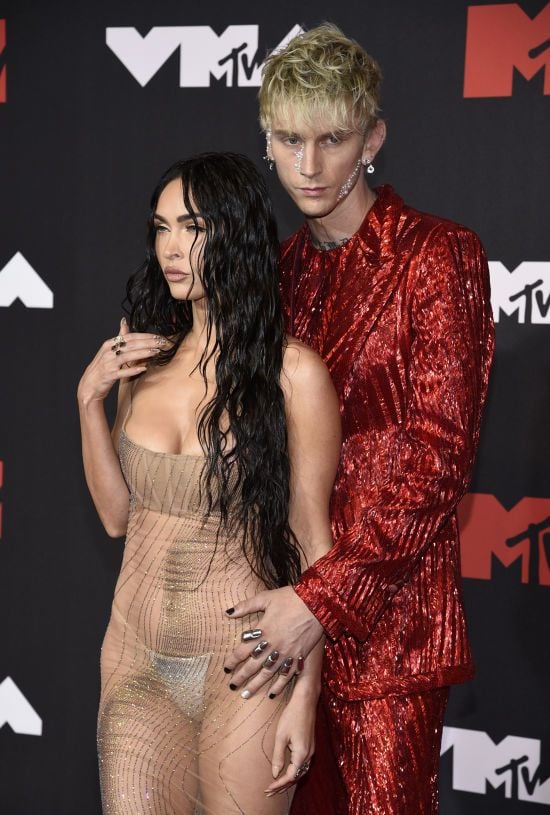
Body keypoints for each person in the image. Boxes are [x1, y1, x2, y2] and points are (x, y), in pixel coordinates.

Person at [223, 25, 495, 814]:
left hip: (391, 638)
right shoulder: (274, 275)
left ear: (372, 139)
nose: (308, 166)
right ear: (267, 142)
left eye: (331, 140)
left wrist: (320, 601)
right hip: (276, 635)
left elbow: (439, 462)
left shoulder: (437, 256)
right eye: (289, 140)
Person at [77, 152, 341, 814]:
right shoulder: (144, 359)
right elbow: (116, 517)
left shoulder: (293, 375)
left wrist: (306, 694)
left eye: (192, 227)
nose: (171, 248)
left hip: (247, 666)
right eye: (161, 228)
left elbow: (314, 544)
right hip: (135, 661)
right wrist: (88, 400)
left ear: (236, 233)